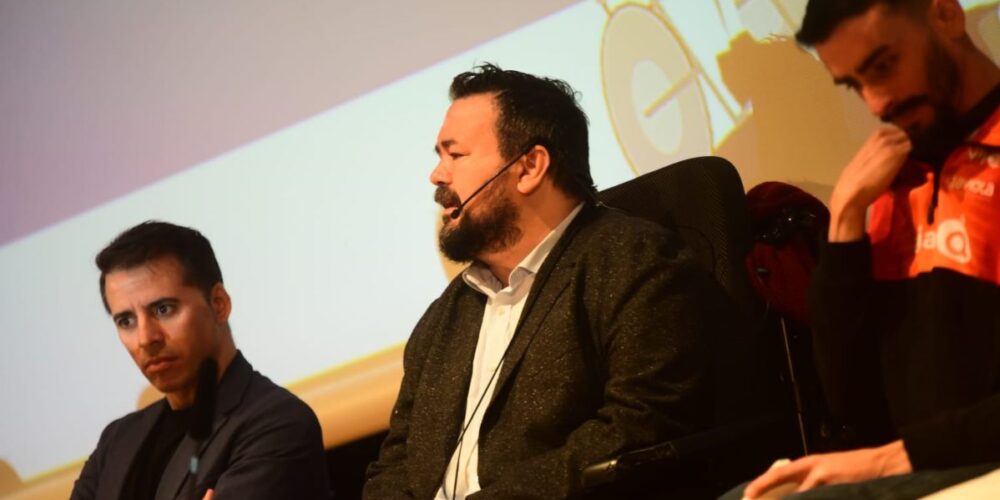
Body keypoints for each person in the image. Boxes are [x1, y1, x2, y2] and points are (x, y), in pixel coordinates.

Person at [362, 63, 729, 499]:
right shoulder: (444, 318)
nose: (437, 176)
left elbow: (638, 429)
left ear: (530, 166)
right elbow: (394, 465)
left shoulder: (635, 262)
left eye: (455, 154)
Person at [740, 0, 1000, 497]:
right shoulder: (886, 191)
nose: (876, 104)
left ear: (945, 14)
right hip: (920, 468)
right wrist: (844, 219)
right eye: (856, 85)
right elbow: (851, 401)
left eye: (883, 67)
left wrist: (893, 459)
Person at [71, 221, 330, 500]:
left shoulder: (278, 423)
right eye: (126, 321)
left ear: (219, 304)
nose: (146, 338)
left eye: (163, 309)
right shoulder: (116, 441)